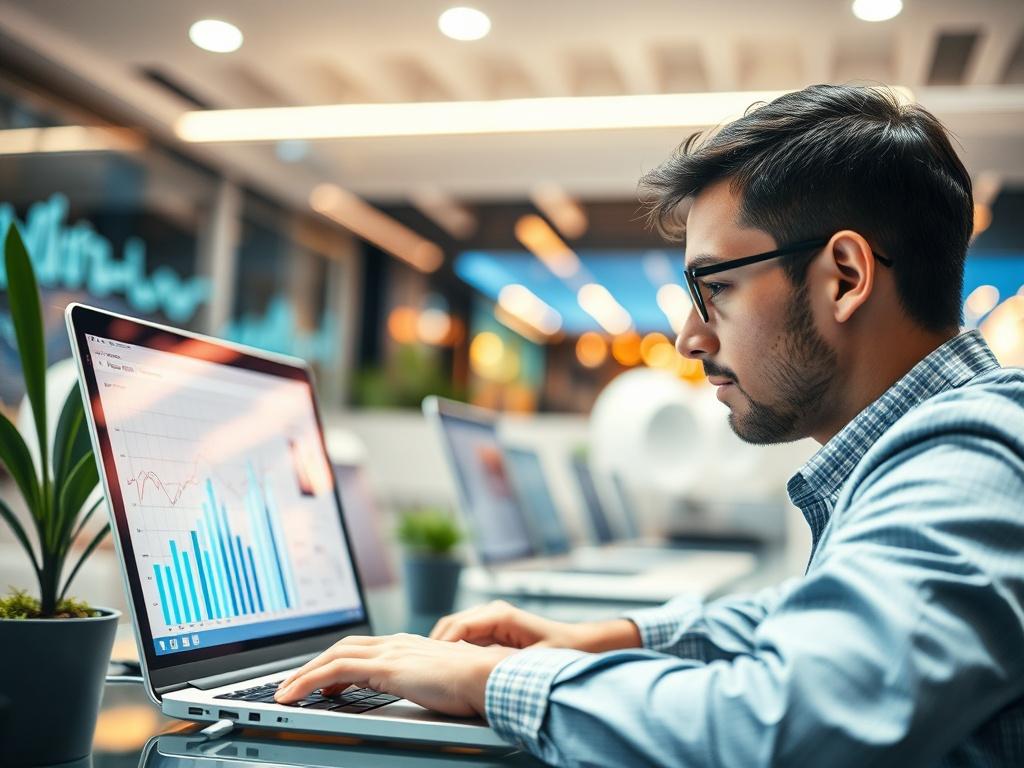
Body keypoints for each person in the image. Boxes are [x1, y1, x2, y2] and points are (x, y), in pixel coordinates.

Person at [275, 84, 1024, 767]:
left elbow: (786, 724)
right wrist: (605, 638)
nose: (689, 339)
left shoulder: (973, 453)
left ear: (845, 278)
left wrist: (497, 678)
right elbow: (814, 620)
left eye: (715, 288)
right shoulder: (947, 447)